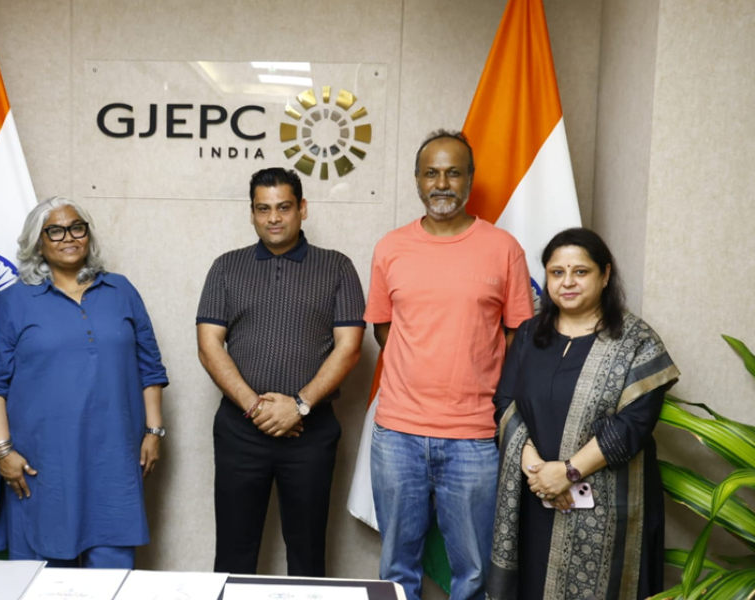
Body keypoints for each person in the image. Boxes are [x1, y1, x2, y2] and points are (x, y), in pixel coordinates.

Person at [364, 130, 534, 599]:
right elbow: (384, 329)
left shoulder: (504, 249)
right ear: (417, 180)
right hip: (397, 434)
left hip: (474, 437)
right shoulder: (390, 248)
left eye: (453, 173)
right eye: (431, 173)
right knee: (396, 568)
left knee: (474, 573)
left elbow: (518, 337)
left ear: (470, 179)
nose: (442, 184)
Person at [0, 196, 167, 568]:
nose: (69, 237)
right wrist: (3, 451)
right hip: (41, 464)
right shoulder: (14, 301)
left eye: (77, 228)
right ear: (38, 243)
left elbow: (151, 369)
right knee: (45, 579)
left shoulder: (121, 291)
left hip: (114, 458)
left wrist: (154, 432)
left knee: (111, 575)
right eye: (56, 231)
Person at [487, 228, 679, 600]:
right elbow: (506, 403)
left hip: (607, 507)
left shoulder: (637, 342)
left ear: (605, 275)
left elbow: (633, 425)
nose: (568, 282)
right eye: (557, 272)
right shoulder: (529, 334)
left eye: (580, 271)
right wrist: (540, 474)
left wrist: (567, 473)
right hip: (534, 497)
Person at [197, 167, 365, 577]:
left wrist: (299, 406)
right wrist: (256, 408)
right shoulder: (226, 267)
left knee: (307, 555)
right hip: (240, 430)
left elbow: (350, 347)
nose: (274, 218)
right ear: (252, 213)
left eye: (284, 207)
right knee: (234, 552)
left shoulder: (337, 267)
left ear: (302, 209)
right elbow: (208, 345)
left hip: (311, 431)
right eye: (263, 208)